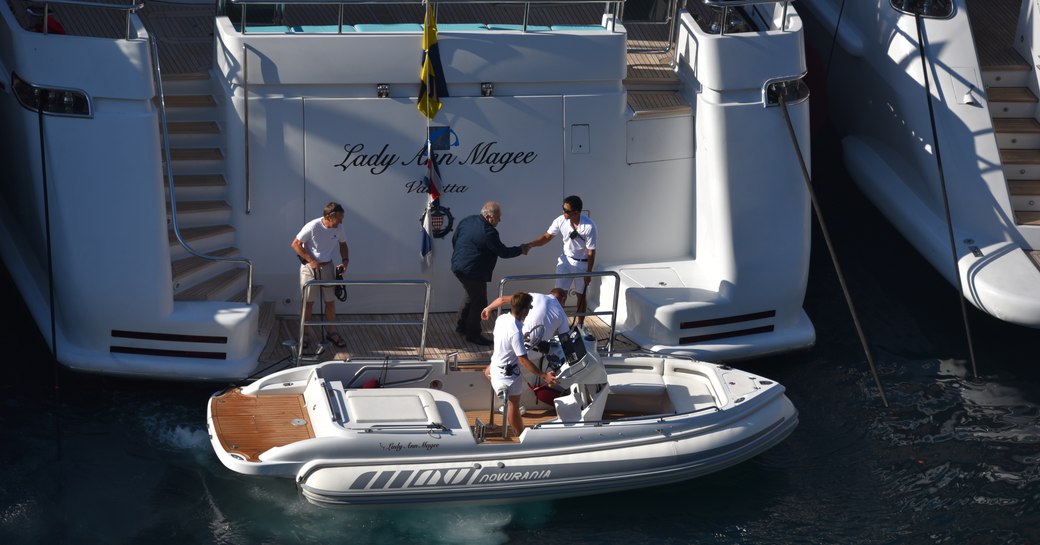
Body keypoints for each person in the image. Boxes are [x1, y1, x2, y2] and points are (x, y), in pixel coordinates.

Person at [451, 201, 529, 346]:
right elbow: (503, 252)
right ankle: (473, 334)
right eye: (498, 218)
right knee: (480, 301)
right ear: (488, 217)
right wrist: (521, 249)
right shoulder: (488, 232)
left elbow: (455, 240)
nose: (499, 220)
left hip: (458, 266)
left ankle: (461, 327)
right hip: (473, 271)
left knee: (471, 296)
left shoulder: (467, 220)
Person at [488, 292, 557, 437]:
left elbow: (505, 339)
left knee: (509, 402)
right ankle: (521, 439)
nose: (531, 309)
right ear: (524, 309)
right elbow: (523, 360)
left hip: (493, 369)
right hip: (508, 378)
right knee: (514, 407)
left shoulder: (501, 319)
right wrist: (544, 376)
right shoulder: (515, 331)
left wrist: (520, 339)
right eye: (530, 307)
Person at [525, 195, 597, 325]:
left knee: (581, 295)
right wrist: (530, 245)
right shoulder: (561, 220)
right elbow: (547, 236)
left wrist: (588, 273)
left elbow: (591, 252)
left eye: (567, 211)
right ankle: (557, 324)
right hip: (565, 262)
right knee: (558, 296)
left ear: (576, 212)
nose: (564, 213)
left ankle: (580, 325)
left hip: (582, 264)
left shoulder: (589, 227)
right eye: (563, 209)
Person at [291, 202, 350, 348]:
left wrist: (345, 261)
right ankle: (304, 335)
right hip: (309, 268)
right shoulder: (313, 226)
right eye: (338, 218)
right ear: (328, 217)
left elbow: (343, 244)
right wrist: (311, 261)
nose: (341, 221)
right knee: (308, 303)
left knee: (330, 302)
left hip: (328, 266)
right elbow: (295, 244)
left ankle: (332, 333)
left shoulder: (339, 227)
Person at [481, 288, 569, 348]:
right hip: (536, 353)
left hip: (518, 345)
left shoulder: (535, 296)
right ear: (563, 299)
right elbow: (565, 341)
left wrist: (488, 308)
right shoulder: (563, 315)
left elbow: (503, 299)